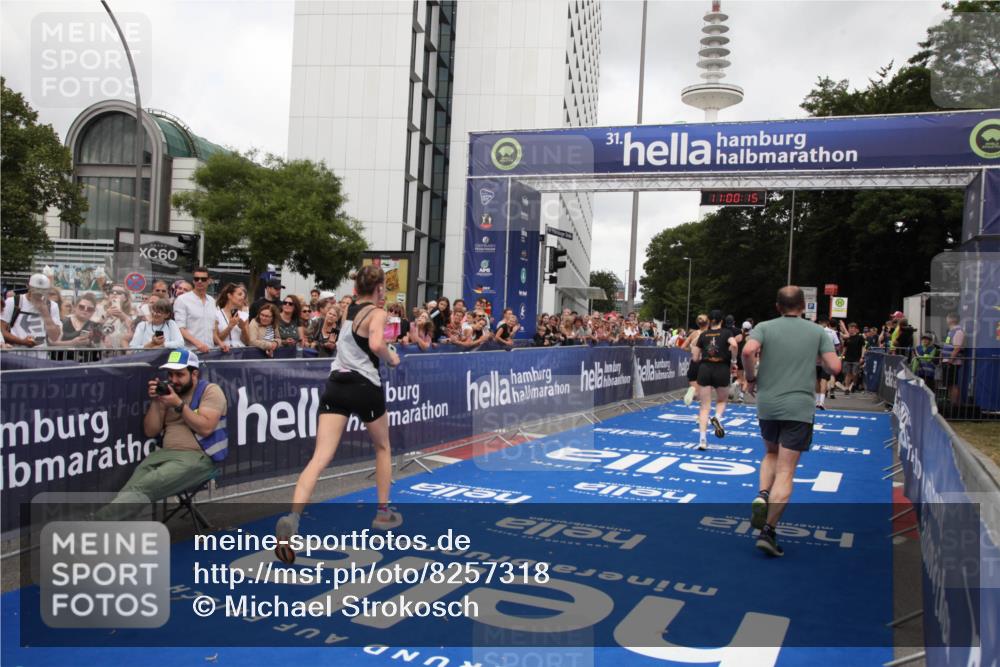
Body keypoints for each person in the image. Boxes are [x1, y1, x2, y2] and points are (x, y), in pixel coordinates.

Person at [274, 266, 402, 564]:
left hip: (336, 384)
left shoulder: (347, 310)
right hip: (364, 384)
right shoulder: (377, 312)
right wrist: (392, 357)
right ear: (380, 288)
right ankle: (383, 513)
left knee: (320, 457)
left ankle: (293, 519)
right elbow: (375, 344)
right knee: (382, 447)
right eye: (383, 287)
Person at [741, 286, 841, 557]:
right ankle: (769, 531)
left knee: (770, 453)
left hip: (768, 404)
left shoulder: (764, 327)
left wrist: (750, 379)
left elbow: (748, 351)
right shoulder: (817, 332)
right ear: (804, 305)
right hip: (799, 406)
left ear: (777, 306)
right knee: (786, 471)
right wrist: (818, 356)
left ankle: (762, 494)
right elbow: (835, 368)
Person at [97, 350, 226, 520]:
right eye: (170, 374)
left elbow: (206, 428)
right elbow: (151, 431)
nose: (173, 380)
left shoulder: (210, 391)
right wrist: (157, 403)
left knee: (142, 487)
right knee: (130, 490)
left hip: (198, 456)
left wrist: (178, 405)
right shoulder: (168, 393)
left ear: (194, 374)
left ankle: (93, 524)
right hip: (164, 454)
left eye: (179, 375)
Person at [690, 310, 738, 450]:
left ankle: (702, 440)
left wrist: (699, 358)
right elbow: (734, 345)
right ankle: (717, 417)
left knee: (704, 407)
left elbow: (694, 356)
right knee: (722, 400)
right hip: (722, 368)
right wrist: (733, 360)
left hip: (705, 369)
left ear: (710, 321)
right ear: (721, 321)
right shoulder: (726, 333)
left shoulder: (704, 334)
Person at [2, 274, 63, 350]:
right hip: (16, 354)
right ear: (28, 286)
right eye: (36, 289)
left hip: (40, 355)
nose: (39, 293)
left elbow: (55, 337)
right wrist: (22, 341)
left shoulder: (52, 306)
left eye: (43, 290)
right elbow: (2, 330)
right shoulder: (13, 302)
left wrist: (45, 313)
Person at [174, 268, 217, 353]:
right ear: (193, 281)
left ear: (209, 281)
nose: (199, 281)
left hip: (210, 351)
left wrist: (220, 343)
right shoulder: (182, 300)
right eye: (196, 279)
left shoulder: (212, 301)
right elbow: (180, 328)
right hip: (190, 351)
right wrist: (198, 344)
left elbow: (212, 328)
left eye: (203, 279)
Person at [681, 314, 709, 406]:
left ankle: (692, 392)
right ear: (708, 322)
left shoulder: (693, 334)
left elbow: (682, 347)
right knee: (703, 389)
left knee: (694, 386)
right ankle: (701, 407)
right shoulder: (710, 334)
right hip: (705, 363)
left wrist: (692, 349)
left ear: (697, 323)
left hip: (694, 362)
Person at [214, 283, 250, 352]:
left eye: (243, 296)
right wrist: (230, 327)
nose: (243, 298)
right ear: (229, 296)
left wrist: (243, 329)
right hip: (222, 352)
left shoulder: (244, 315)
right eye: (239, 294)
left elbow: (247, 342)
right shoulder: (216, 314)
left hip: (240, 354)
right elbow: (216, 340)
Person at [940, 313, 965, 409]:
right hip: (947, 361)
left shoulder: (958, 331)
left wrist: (950, 361)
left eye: (947, 319)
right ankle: (952, 404)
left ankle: (955, 406)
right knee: (949, 384)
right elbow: (947, 345)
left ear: (951, 320)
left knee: (953, 383)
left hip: (952, 362)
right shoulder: (951, 332)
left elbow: (957, 348)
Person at [838, 321, 866, 394]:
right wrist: (841, 356)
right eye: (850, 328)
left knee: (854, 373)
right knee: (847, 373)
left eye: (852, 328)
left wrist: (862, 357)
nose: (851, 329)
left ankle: (853, 384)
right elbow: (845, 348)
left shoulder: (860, 337)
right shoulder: (847, 337)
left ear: (855, 329)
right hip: (847, 358)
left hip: (856, 358)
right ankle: (847, 388)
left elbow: (863, 347)